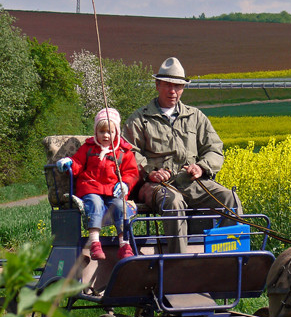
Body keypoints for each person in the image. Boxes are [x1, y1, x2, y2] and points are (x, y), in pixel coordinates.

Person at [122, 56, 241, 253]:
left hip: (191, 182)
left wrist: (201, 167)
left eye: (178, 86)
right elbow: (127, 152)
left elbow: (214, 149)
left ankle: (228, 258)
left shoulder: (195, 117)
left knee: (230, 199)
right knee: (174, 202)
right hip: (156, 186)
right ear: (157, 84)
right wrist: (150, 172)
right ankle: (178, 263)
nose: (173, 91)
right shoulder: (140, 119)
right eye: (168, 85)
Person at [56, 108, 139, 260]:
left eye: (110, 132)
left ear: (116, 132)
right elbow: (78, 163)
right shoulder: (88, 148)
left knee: (121, 206)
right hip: (91, 187)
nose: (106, 135)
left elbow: (131, 173)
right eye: (102, 131)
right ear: (96, 132)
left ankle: (124, 244)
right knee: (94, 203)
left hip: (113, 190)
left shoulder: (123, 151)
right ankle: (94, 242)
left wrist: (125, 184)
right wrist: (69, 162)